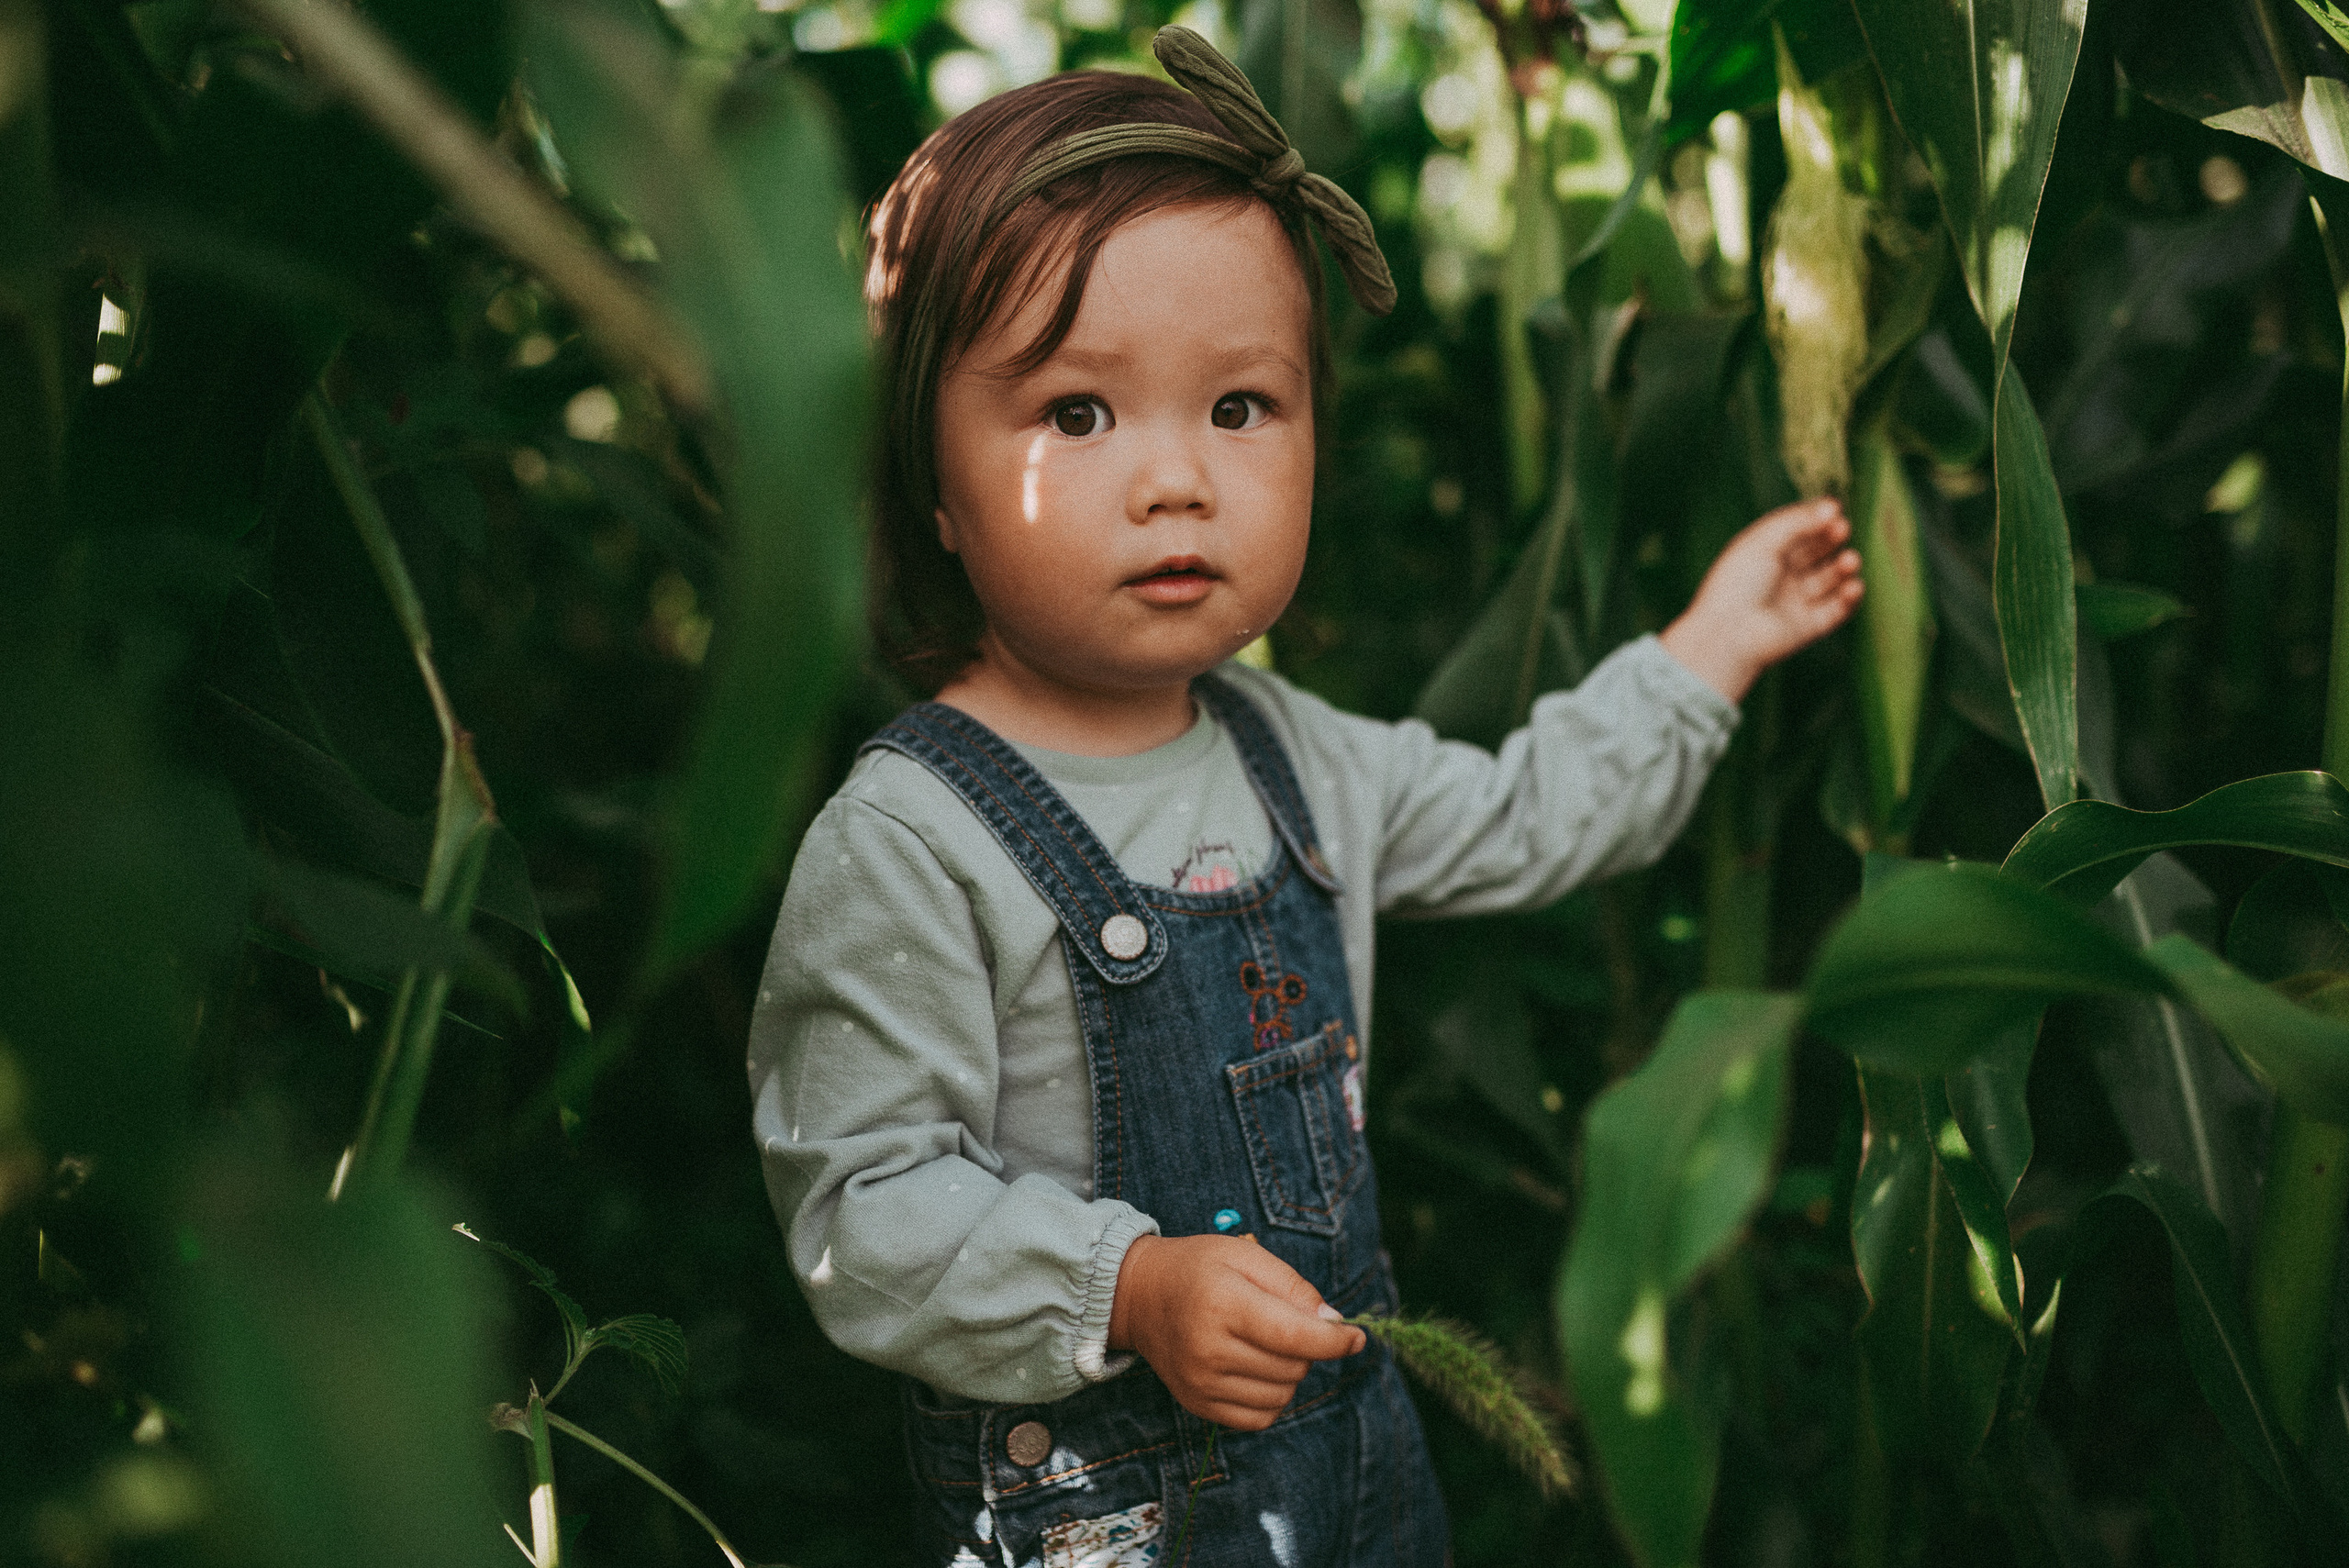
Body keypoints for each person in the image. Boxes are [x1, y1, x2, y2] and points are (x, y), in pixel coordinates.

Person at [748, 28, 1861, 1566]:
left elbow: (1531, 808)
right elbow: (862, 1205)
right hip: (1105, 1520)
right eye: (1079, 414)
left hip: (1355, 1486)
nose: (1177, 479)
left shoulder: (1298, 757)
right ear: (931, 484)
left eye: (1241, 407)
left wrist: (1710, 647)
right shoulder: (916, 840)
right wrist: (1129, 1289)